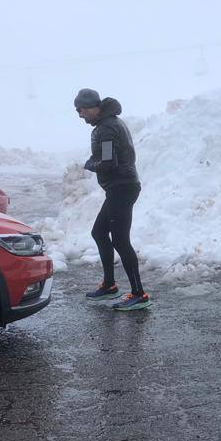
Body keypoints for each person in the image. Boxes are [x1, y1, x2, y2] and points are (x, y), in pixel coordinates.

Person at [76, 88, 150, 310]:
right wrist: (96, 159)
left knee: (120, 240)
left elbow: (108, 162)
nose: (80, 115)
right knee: (99, 232)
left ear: (92, 107)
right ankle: (109, 285)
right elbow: (106, 155)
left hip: (122, 187)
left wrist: (91, 165)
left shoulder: (106, 128)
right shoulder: (109, 123)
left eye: (81, 110)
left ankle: (139, 293)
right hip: (119, 187)